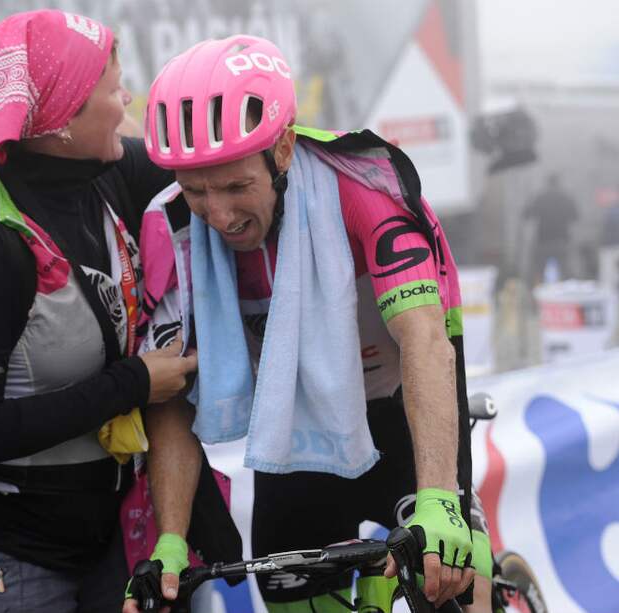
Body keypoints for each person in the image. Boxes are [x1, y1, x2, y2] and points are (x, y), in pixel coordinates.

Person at [124, 36, 494, 612]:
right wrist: (170, 539)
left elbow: (424, 337)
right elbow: (173, 391)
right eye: (196, 190)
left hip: (403, 407)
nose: (217, 216)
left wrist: (440, 499)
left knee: (455, 583)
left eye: (235, 186)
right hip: (297, 423)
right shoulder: (170, 226)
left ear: (285, 150)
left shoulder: (366, 189)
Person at [0, 10, 199, 612]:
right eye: (113, 88)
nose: (127, 101)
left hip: (102, 540)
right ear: (62, 119)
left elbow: (215, 163)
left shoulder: (105, 174)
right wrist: (135, 383)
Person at [523, 173, 578, 283]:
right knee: (565, 271)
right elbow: (575, 216)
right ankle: (567, 294)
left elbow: (527, 215)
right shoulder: (566, 198)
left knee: (538, 270)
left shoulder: (540, 198)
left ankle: (536, 294)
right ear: (558, 184)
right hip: (561, 241)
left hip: (543, 241)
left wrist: (528, 202)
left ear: (547, 184)